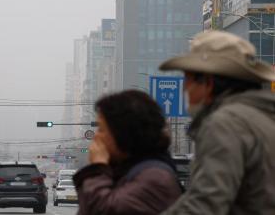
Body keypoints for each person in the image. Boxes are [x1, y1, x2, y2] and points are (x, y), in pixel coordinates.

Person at [159, 31, 275, 215]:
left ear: (208, 83)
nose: (185, 90)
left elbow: (205, 204)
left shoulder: (224, 124)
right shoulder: (263, 118)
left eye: (187, 81)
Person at [73, 90, 182, 215]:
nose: (97, 137)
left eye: (102, 130)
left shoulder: (155, 178)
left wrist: (97, 169)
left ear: (123, 133)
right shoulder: (123, 171)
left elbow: (103, 210)